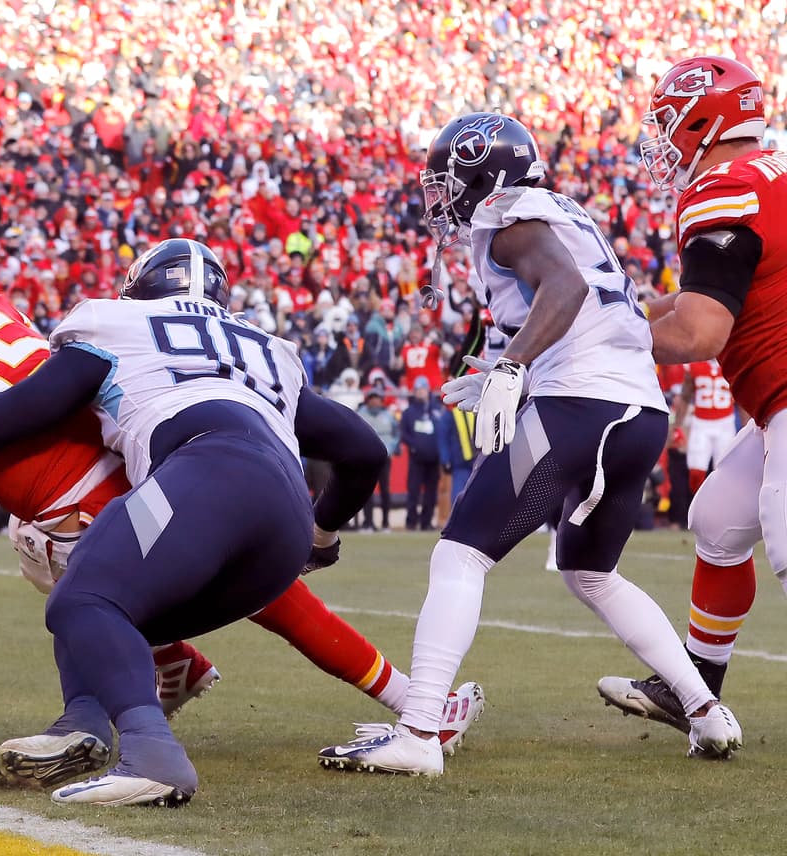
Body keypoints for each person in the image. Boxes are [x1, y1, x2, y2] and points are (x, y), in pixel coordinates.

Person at [0, 245, 478, 806]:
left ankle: (146, 752)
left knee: (80, 597)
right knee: (121, 599)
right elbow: (364, 450)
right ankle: (127, 697)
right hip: (285, 509)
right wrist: (322, 535)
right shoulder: (265, 348)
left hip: (204, 469)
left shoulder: (113, 324)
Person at [317, 112, 740, 777]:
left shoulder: (508, 215)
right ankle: (705, 709)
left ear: (484, 173)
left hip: (582, 401)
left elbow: (565, 287)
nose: (442, 197)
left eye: (448, 181)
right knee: (590, 572)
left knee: (460, 554)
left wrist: (514, 366)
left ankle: (420, 730)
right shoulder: (565, 213)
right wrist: (500, 365)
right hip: (639, 410)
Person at [597, 56, 786, 735]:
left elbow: (700, 332)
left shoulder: (722, 189)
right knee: (717, 520)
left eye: (669, 124)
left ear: (707, 121)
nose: (662, 140)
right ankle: (695, 687)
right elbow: (708, 296)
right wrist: (624, 314)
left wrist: (594, 349)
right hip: (775, 404)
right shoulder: (770, 176)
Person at [676, 360, 737, 497]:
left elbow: (741, 398)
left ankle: (720, 506)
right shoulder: (694, 364)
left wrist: (748, 425)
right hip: (701, 424)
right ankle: (698, 506)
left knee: (724, 472)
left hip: (725, 424)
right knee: (696, 473)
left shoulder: (732, 361)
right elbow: (685, 397)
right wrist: (677, 425)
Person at [400, 376, 441, 531]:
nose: (420, 392)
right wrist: (414, 445)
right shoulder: (409, 412)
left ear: (428, 390)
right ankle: (411, 522)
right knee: (413, 491)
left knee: (431, 493)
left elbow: (441, 430)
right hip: (416, 459)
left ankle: (426, 522)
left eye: (422, 389)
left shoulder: (437, 410)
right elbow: (404, 433)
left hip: (434, 459)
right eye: (417, 389)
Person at [357, 388, 398, 532]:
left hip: (384, 457)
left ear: (381, 401)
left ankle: (386, 523)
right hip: (366, 457)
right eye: (372, 398)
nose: (375, 401)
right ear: (368, 400)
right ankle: (368, 523)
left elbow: (396, 434)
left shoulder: (388, 416)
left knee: (385, 490)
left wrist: (391, 448)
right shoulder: (360, 414)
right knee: (366, 490)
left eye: (377, 398)